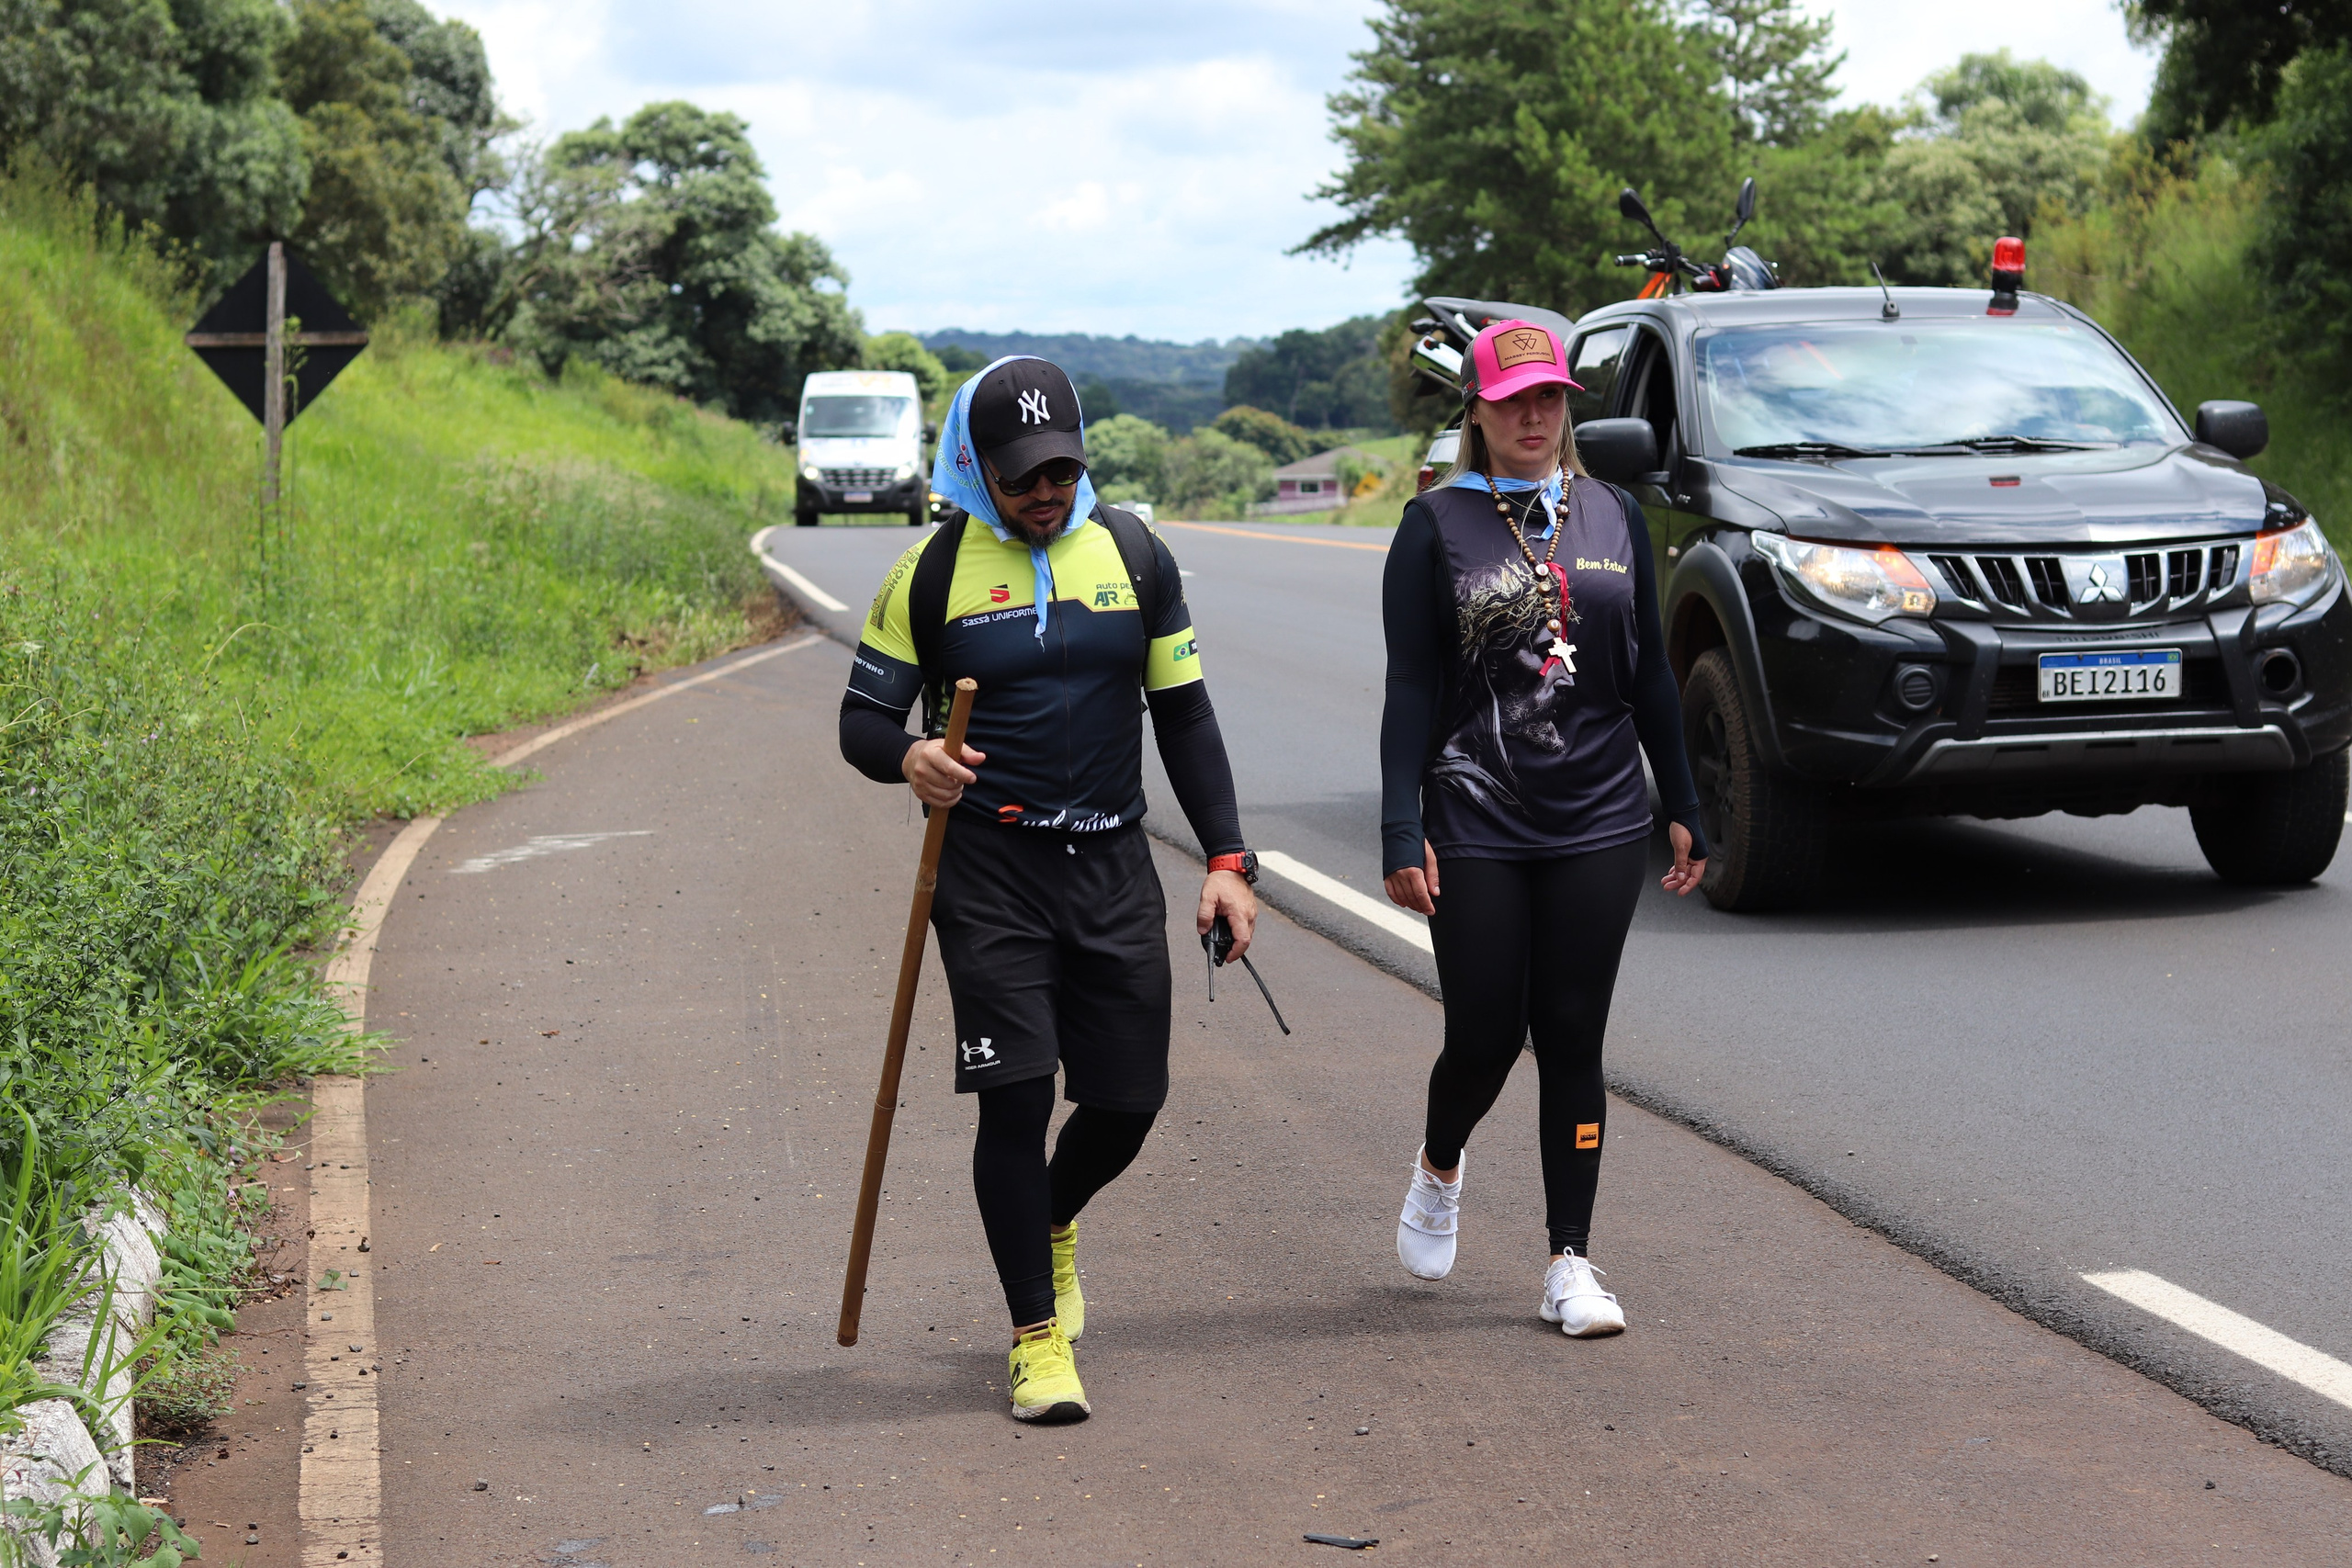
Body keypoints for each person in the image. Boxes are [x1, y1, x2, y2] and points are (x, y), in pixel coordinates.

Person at [838, 356, 1259, 1422]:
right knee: (1015, 1100)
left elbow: (1187, 715)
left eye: (1061, 470)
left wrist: (1224, 860)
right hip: (988, 871)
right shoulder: (927, 575)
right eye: (1022, 475)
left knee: (1128, 1102)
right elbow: (858, 723)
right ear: (978, 467)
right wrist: (908, 759)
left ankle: (1055, 1221)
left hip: (1113, 864)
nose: (1045, 492)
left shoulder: (1133, 554)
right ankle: (1033, 1339)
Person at [1378, 319, 1710, 1337]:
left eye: (1551, 397)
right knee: (1483, 1033)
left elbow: (1650, 669)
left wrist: (1684, 801)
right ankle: (1440, 1167)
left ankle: (1570, 1260)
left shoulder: (1610, 511)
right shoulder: (1434, 526)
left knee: (1570, 1032)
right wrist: (1400, 825)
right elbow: (1411, 687)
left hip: (1601, 817)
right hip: (1474, 813)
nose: (1535, 415)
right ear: (1476, 411)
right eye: (1515, 398)